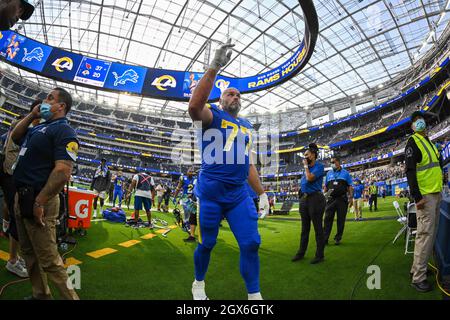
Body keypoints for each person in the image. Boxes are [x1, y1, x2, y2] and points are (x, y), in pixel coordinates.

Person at [188, 39, 269, 300]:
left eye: (238, 95)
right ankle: (198, 283)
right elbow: (193, 107)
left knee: (251, 242)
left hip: (237, 194)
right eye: (230, 93)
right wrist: (213, 67)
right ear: (221, 99)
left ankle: (254, 295)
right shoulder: (212, 115)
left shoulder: (246, 125)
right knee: (207, 242)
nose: (235, 96)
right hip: (211, 193)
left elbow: (248, 164)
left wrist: (262, 193)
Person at [11, 87, 79, 300]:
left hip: (39, 199)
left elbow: (62, 171)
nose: (44, 100)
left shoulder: (64, 131)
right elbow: (15, 137)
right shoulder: (39, 127)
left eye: (50, 98)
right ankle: (41, 294)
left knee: (50, 260)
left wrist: (40, 201)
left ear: (62, 106)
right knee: (28, 252)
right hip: (21, 195)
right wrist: (32, 114)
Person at [0, 101, 41, 278]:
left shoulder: (27, 125)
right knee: (17, 216)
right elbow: (13, 152)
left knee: (13, 212)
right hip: (11, 174)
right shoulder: (24, 125)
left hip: (12, 174)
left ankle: (14, 255)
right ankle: (13, 261)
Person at [405, 111, 444, 293]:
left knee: (430, 234)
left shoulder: (429, 142)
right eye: (415, 120)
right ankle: (418, 277)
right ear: (413, 125)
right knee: (425, 235)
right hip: (425, 197)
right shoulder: (413, 142)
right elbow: (410, 171)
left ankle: (417, 268)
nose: (420, 122)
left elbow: (438, 164)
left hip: (436, 193)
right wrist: (417, 197)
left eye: (421, 119)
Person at [292, 143, 326, 264]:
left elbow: (310, 178)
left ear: (313, 155)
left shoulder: (319, 166)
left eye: (306, 154)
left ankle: (319, 255)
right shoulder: (306, 169)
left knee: (318, 228)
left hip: (315, 199)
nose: (304, 157)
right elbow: (304, 182)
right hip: (305, 199)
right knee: (304, 229)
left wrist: (306, 167)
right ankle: (301, 252)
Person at [323, 156, 353, 245]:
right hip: (330, 200)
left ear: (339, 162)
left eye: (333, 162)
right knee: (327, 219)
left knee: (341, 220)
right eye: (331, 162)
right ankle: (325, 238)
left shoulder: (345, 173)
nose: (332, 164)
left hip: (342, 199)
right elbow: (325, 187)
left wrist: (351, 198)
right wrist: (324, 197)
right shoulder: (328, 173)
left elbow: (349, 186)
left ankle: (338, 238)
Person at [173, 168, 198, 242]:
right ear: (187, 172)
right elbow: (178, 188)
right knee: (187, 212)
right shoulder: (183, 178)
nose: (191, 172)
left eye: (192, 171)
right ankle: (187, 226)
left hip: (193, 198)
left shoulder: (196, 179)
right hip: (185, 198)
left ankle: (187, 226)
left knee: (192, 214)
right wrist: (175, 197)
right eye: (189, 171)